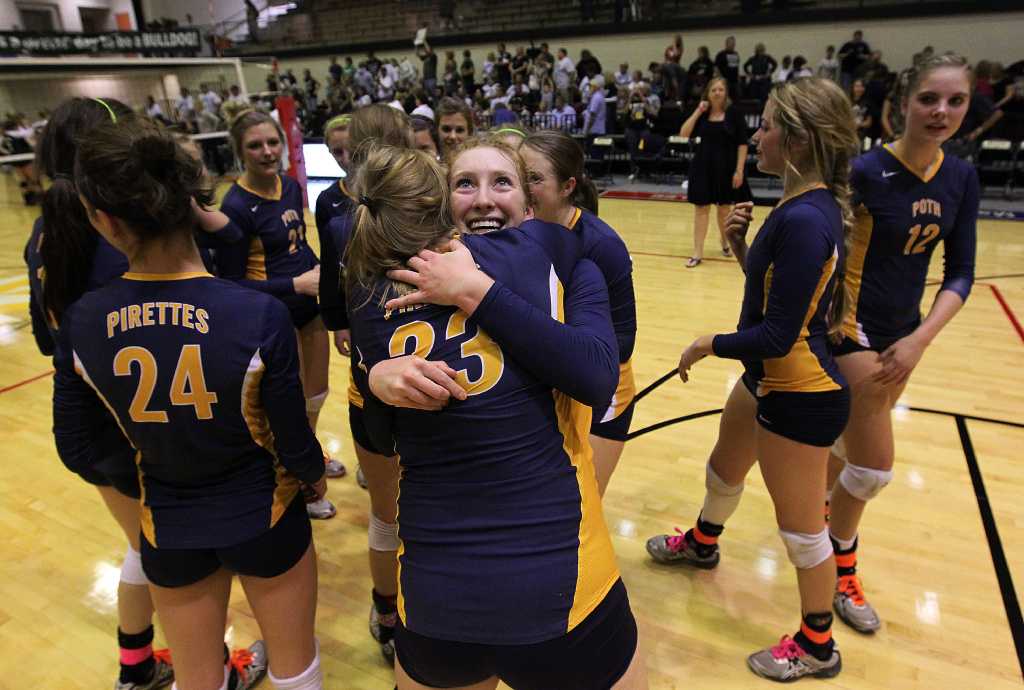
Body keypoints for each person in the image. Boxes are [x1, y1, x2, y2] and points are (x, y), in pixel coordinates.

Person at [348, 140, 648, 690]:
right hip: (483, 592)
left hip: (521, 586)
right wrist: (376, 381)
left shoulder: (561, 265)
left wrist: (475, 291)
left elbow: (598, 376)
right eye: (465, 184)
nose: (483, 199)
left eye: (502, 182)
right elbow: (381, 440)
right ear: (443, 202)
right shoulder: (389, 287)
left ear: (530, 205)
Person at [55, 116, 324, 690]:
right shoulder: (257, 314)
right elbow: (294, 438)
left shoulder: (82, 321)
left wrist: (162, 465)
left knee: (197, 680)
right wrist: (311, 480)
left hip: (167, 519)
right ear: (193, 205)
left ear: (103, 221)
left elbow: (75, 447)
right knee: (296, 670)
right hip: (264, 514)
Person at [648, 77, 859, 682]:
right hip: (765, 377)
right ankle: (704, 543)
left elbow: (776, 336)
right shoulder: (798, 207)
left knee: (801, 533)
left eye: (765, 125)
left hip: (799, 393)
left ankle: (818, 645)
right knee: (723, 468)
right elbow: (776, 306)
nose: (756, 135)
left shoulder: (806, 219)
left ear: (794, 139)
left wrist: (704, 343)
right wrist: (739, 246)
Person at [26, 96, 176, 690]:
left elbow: (45, 340)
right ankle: (204, 667)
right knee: (163, 551)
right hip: (131, 420)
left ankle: (136, 667)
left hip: (84, 418)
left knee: (143, 546)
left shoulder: (45, 229)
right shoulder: (114, 234)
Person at [826, 53, 977, 637]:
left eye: (955, 101)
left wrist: (920, 339)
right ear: (902, 104)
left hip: (904, 335)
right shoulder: (865, 171)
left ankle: (819, 524)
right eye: (929, 99)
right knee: (872, 468)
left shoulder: (961, 177)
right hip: (851, 332)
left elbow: (960, 271)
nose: (941, 112)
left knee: (845, 447)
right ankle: (843, 566)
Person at [318, 105, 414, 664]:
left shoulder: (339, 218)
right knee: (423, 507)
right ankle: (417, 607)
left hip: (373, 387)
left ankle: (386, 612)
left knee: (386, 513)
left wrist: (349, 329)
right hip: (436, 378)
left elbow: (336, 309)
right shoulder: (440, 208)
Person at [216, 110, 344, 520]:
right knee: (284, 408)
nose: (267, 151)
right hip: (272, 315)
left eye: (272, 142)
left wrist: (321, 273)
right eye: (255, 145)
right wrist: (294, 285)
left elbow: (297, 246)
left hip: (309, 306)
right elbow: (230, 283)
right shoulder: (235, 205)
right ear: (240, 152)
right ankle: (299, 482)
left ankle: (309, 454)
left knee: (316, 394)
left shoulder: (290, 187)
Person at [520, 129, 637, 495]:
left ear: (568, 186)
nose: (523, 188)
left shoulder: (601, 245)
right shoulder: (518, 229)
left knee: (583, 511)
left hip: (601, 392)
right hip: (549, 387)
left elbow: (623, 341)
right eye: (519, 175)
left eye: (534, 179)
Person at [678, 77, 752, 267]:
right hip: (702, 167)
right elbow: (683, 134)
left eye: (720, 89)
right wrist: (698, 111)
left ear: (726, 92)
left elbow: (742, 144)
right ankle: (697, 253)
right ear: (708, 94)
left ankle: (725, 241)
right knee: (701, 209)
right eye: (713, 90)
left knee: (724, 209)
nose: (717, 93)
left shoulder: (734, 114)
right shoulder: (702, 113)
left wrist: (739, 171)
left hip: (727, 168)